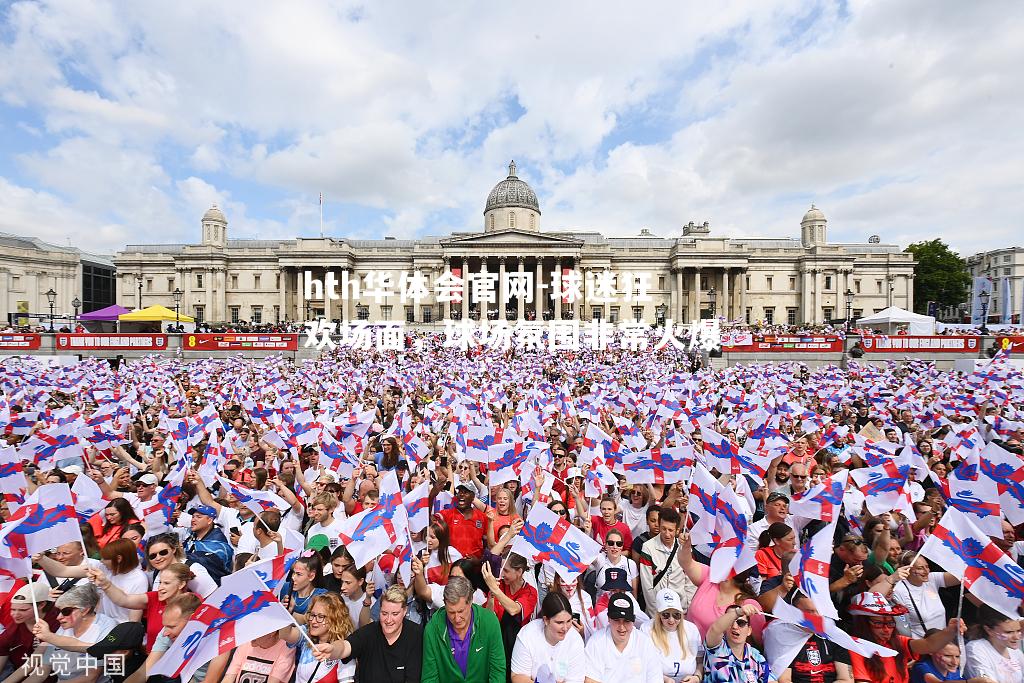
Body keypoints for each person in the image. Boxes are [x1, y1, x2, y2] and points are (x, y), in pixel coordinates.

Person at [309, 584, 424, 683]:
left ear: (404, 611)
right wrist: (332, 649)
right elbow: (346, 647)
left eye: (395, 614)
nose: (388, 620)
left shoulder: (415, 634)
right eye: (384, 613)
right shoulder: (368, 633)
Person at [847, 592, 965, 683]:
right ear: (863, 624)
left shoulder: (898, 641)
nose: (886, 629)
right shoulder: (855, 646)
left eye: (890, 623)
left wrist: (951, 630)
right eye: (878, 624)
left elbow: (929, 645)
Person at [36, 538, 149, 623]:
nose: (101, 561)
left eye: (105, 558)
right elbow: (63, 571)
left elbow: (135, 618)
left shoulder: (139, 579)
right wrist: (42, 559)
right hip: (100, 623)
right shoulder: (103, 568)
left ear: (119, 559)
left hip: (120, 627)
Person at [88, 561, 195, 650]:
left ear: (181, 584)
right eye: (160, 582)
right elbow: (124, 600)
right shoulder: (154, 597)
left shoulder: (193, 601)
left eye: (166, 583)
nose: (160, 588)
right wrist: (105, 584)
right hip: (153, 661)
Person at [422, 575, 506, 683]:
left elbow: (497, 671)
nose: (456, 618)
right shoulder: (432, 629)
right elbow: (429, 678)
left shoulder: (490, 622)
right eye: (451, 612)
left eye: (461, 611)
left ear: (471, 601)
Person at [30, 583, 118, 682]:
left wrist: (49, 636)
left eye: (66, 612)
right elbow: (42, 672)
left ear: (84, 610)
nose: (58, 617)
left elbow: (90, 678)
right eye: (57, 611)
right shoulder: (65, 626)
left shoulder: (106, 626)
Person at [762, 588, 852, 683]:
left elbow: (846, 679)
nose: (816, 617)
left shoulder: (834, 634)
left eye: (820, 611)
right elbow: (784, 680)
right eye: (809, 612)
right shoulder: (781, 634)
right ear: (794, 611)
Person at [123, 593, 205, 683]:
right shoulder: (165, 634)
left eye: (172, 627)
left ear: (192, 619)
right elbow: (144, 672)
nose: (165, 633)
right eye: (165, 626)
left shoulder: (215, 635)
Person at [583, 591, 662, 683]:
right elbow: (591, 680)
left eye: (627, 621)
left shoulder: (644, 642)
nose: (622, 627)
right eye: (616, 620)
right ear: (608, 618)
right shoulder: (596, 642)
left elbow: (655, 677)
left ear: (633, 621)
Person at [510, 591, 586, 683]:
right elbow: (518, 676)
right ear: (546, 620)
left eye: (569, 621)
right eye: (559, 622)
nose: (565, 628)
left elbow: (575, 680)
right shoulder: (528, 634)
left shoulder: (575, 640)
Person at [282, 593, 358, 683]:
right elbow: (285, 635)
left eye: (321, 617)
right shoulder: (307, 634)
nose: (313, 621)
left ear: (335, 619)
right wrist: (285, 612)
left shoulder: (344, 648)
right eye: (312, 615)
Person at [639, 508, 696, 617]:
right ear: (659, 526)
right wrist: (655, 615)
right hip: (658, 610)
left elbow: (690, 581)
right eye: (663, 529)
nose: (667, 534)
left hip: (680, 610)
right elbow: (647, 586)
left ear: (677, 530)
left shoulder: (685, 548)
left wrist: (687, 609)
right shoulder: (648, 548)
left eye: (671, 530)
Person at [639, 588, 702, 683]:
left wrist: (696, 678)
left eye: (676, 615)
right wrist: (664, 679)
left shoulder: (691, 629)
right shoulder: (647, 629)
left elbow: (700, 661)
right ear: (659, 614)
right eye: (666, 615)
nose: (671, 620)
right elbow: (642, 664)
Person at [891, 552, 960, 638]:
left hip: (942, 642)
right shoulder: (899, 590)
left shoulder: (932, 578)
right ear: (906, 569)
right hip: (922, 645)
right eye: (920, 568)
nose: (926, 571)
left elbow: (961, 577)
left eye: (927, 566)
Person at [702, 603, 774, 682]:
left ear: (749, 631)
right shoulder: (716, 648)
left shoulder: (756, 657)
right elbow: (715, 629)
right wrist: (739, 612)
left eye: (741, 623)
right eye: (730, 622)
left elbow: (772, 681)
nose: (735, 627)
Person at [0, 583, 58, 676]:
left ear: (41, 605)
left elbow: (37, 668)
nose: (15, 614)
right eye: (13, 609)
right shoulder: (13, 628)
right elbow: (2, 651)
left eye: (23, 610)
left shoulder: (58, 621)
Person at [964, 604, 1024, 682]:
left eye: (1018, 631)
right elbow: (985, 680)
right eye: (1008, 632)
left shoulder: (1015, 652)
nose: (1016, 637)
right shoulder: (976, 648)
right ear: (988, 630)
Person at [437, 481, 490, 560]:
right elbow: (429, 521)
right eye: (460, 492)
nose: (461, 494)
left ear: (472, 497)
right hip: (452, 563)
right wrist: (431, 497)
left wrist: (480, 559)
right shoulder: (447, 514)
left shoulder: (482, 517)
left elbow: (487, 542)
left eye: (465, 492)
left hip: (474, 566)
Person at [182, 504, 234, 583]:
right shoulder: (190, 536)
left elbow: (208, 565)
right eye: (193, 517)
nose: (193, 520)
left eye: (198, 517)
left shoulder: (219, 545)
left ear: (209, 520)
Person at [224, 628, 296, 683]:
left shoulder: (286, 647)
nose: (251, 635)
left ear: (272, 632)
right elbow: (228, 679)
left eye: (256, 630)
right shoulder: (246, 644)